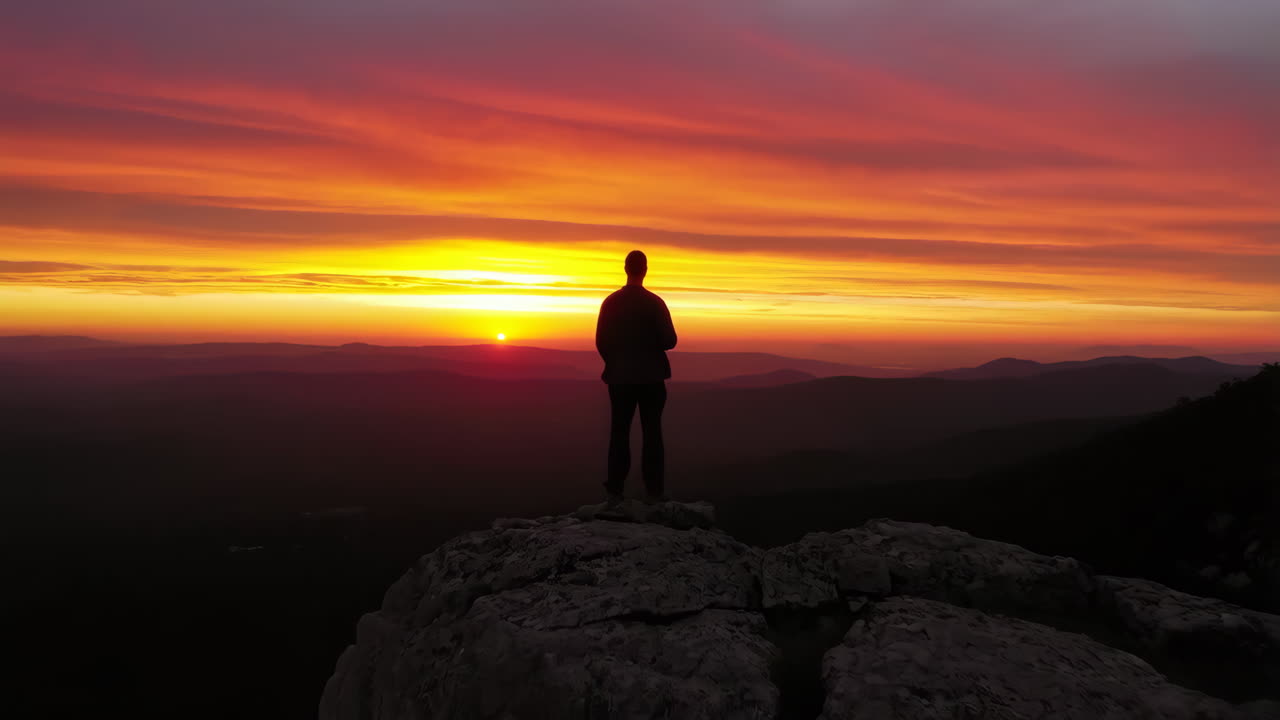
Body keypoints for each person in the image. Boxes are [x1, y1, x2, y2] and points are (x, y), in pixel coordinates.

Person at [595, 250, 677, 505]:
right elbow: (670, 340)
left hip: (619, 379)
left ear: (625, 269)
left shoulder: (611, 302)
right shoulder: (654, 303)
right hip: (652, 378)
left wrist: (615, 363)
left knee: (619, 432)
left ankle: (615, 492)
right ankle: (654, 492)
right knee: (652, 433)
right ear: (645, 270)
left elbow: (601, 342)